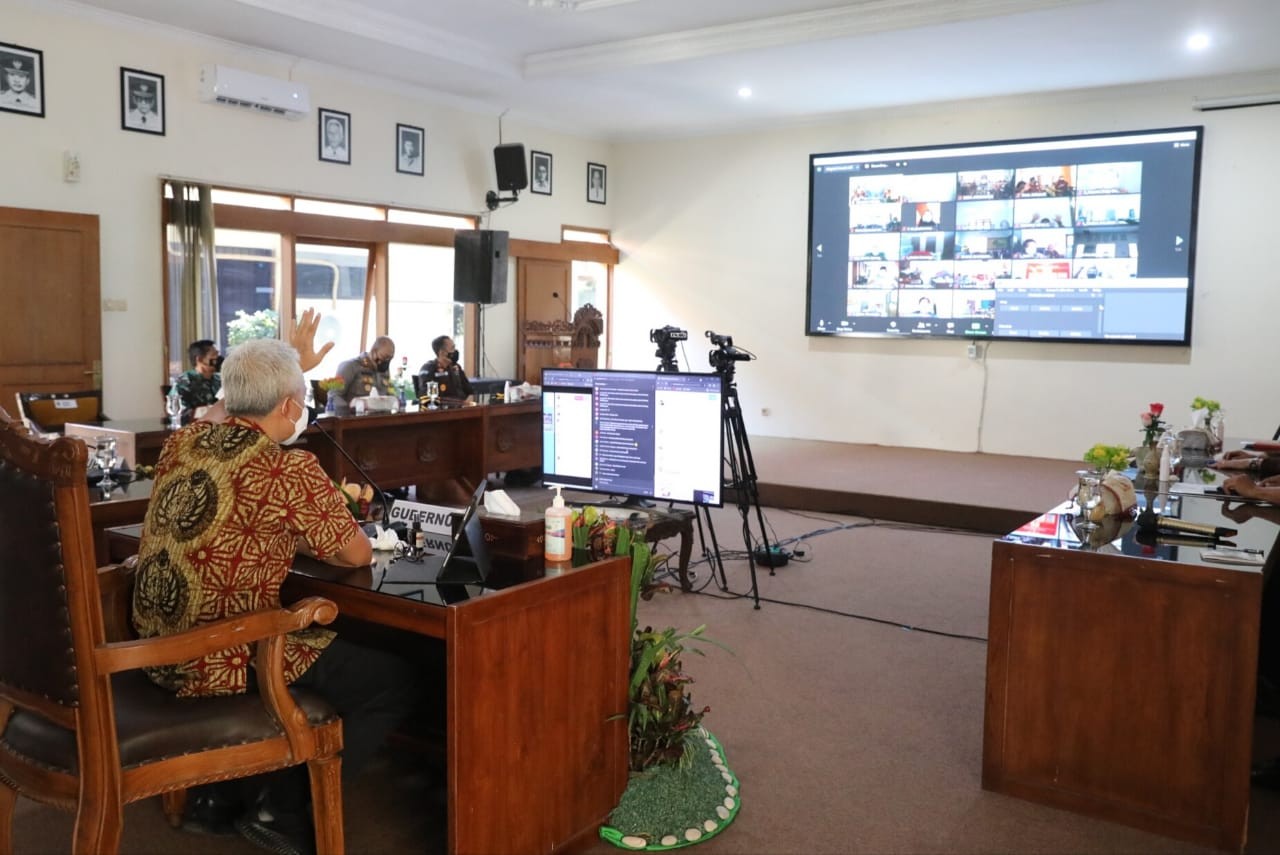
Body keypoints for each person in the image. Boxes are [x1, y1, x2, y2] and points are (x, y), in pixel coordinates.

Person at [132, 337, 420, 853]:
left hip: (152, 645)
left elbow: (228, 413)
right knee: (392, 679)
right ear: (290, 405)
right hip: (224, 655)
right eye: (300, 396)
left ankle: (218, 797)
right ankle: (280, 808)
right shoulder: (288, 467)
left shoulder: (184, 441)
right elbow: (356, 555)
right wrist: (304, 535)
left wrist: (274, 374)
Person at [331, 336, 395, 413]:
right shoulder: (350, 366)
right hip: (355, 419)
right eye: (384, 357)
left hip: (382, 419)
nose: (386, 361)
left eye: (389, 358)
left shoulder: (384, 371)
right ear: (373, 351)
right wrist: (348, 411)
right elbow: (334, 395)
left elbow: (389, 394)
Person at [419, 335, 473, 404]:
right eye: (452, 348)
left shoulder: (456, 367)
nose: (455, 351)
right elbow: (427, 398)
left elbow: (468, 390)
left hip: (460, 408)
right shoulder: (429, 368)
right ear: (442, 352)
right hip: (441, 411)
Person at [174, 339, 221, 420]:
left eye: (218, 354)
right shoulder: (185, 380)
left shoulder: (221, 380)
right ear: (199, 359)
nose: (218, 358)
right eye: (214, 354)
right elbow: (179, 411)